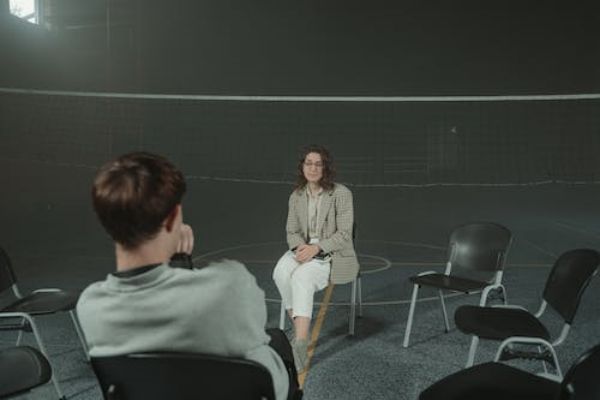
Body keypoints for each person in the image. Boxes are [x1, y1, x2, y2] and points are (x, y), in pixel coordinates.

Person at [77, 152, 298, 400]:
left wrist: (179, 265)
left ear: (107, 223)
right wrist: (182, 263)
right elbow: (272, 381)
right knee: (277, 342)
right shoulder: (231, 284)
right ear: (173, 218)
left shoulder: (91, 305)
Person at [273, 145, 359, 372]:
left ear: (325, 168)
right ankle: (300, 328)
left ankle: (300, 345)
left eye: (318, 164)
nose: (312, 168)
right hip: (303, 249)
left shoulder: (341, 193)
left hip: (331, 254)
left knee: (301, 277)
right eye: (308, 163)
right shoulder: (296, 196)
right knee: (280, 272)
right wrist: (300, 248)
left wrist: (316, 248)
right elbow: (291, 231)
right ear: (302, 167)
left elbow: (344, 234)